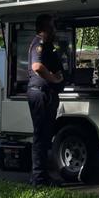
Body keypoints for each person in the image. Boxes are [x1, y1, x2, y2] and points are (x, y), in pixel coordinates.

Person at [27, 14, 64, 187]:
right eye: (52, 26)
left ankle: (43, 176)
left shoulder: (48, 46)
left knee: (45, 136)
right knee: (41, 137)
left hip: (47, 94)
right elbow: (37, 66)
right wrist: (53, 79)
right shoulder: (38, 44)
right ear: (45, 28)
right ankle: (38, 179)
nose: (55, 29)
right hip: (40, 94)